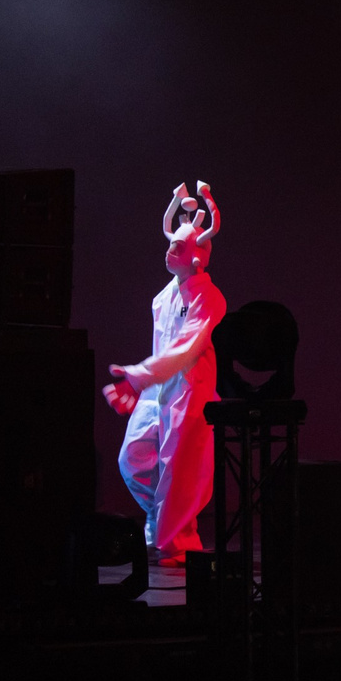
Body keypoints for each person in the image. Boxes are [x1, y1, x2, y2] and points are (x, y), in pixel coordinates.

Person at [106, 182, 229, 565]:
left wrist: (139, 375)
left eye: (178, 246)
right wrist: (141, 380)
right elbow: (166, 350)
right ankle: (166, 529)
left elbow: (185, 349)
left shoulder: (210, 298)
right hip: (158, 386)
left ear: (196, 256)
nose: (170, 250)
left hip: (188, 389)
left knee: (178, 469)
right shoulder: (165, 296)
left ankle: (174, 540)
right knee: (134, 457)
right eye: (171, 243)